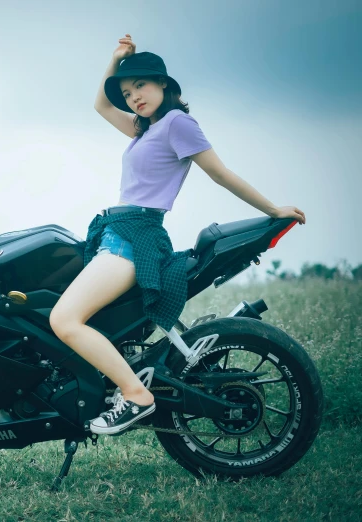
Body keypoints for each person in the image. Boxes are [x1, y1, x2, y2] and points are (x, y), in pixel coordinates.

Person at [48, 34, 307, 436]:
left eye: (141, 87)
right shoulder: (144, 129)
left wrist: (273, 209)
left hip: (136, 239)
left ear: (163, 83)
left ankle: (135, 395)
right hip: (115, 234)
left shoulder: (176, 124)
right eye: (128, 92)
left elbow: (220, 174)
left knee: (64, 320)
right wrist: (116, 61)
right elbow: (100, 104)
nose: (134, 97)